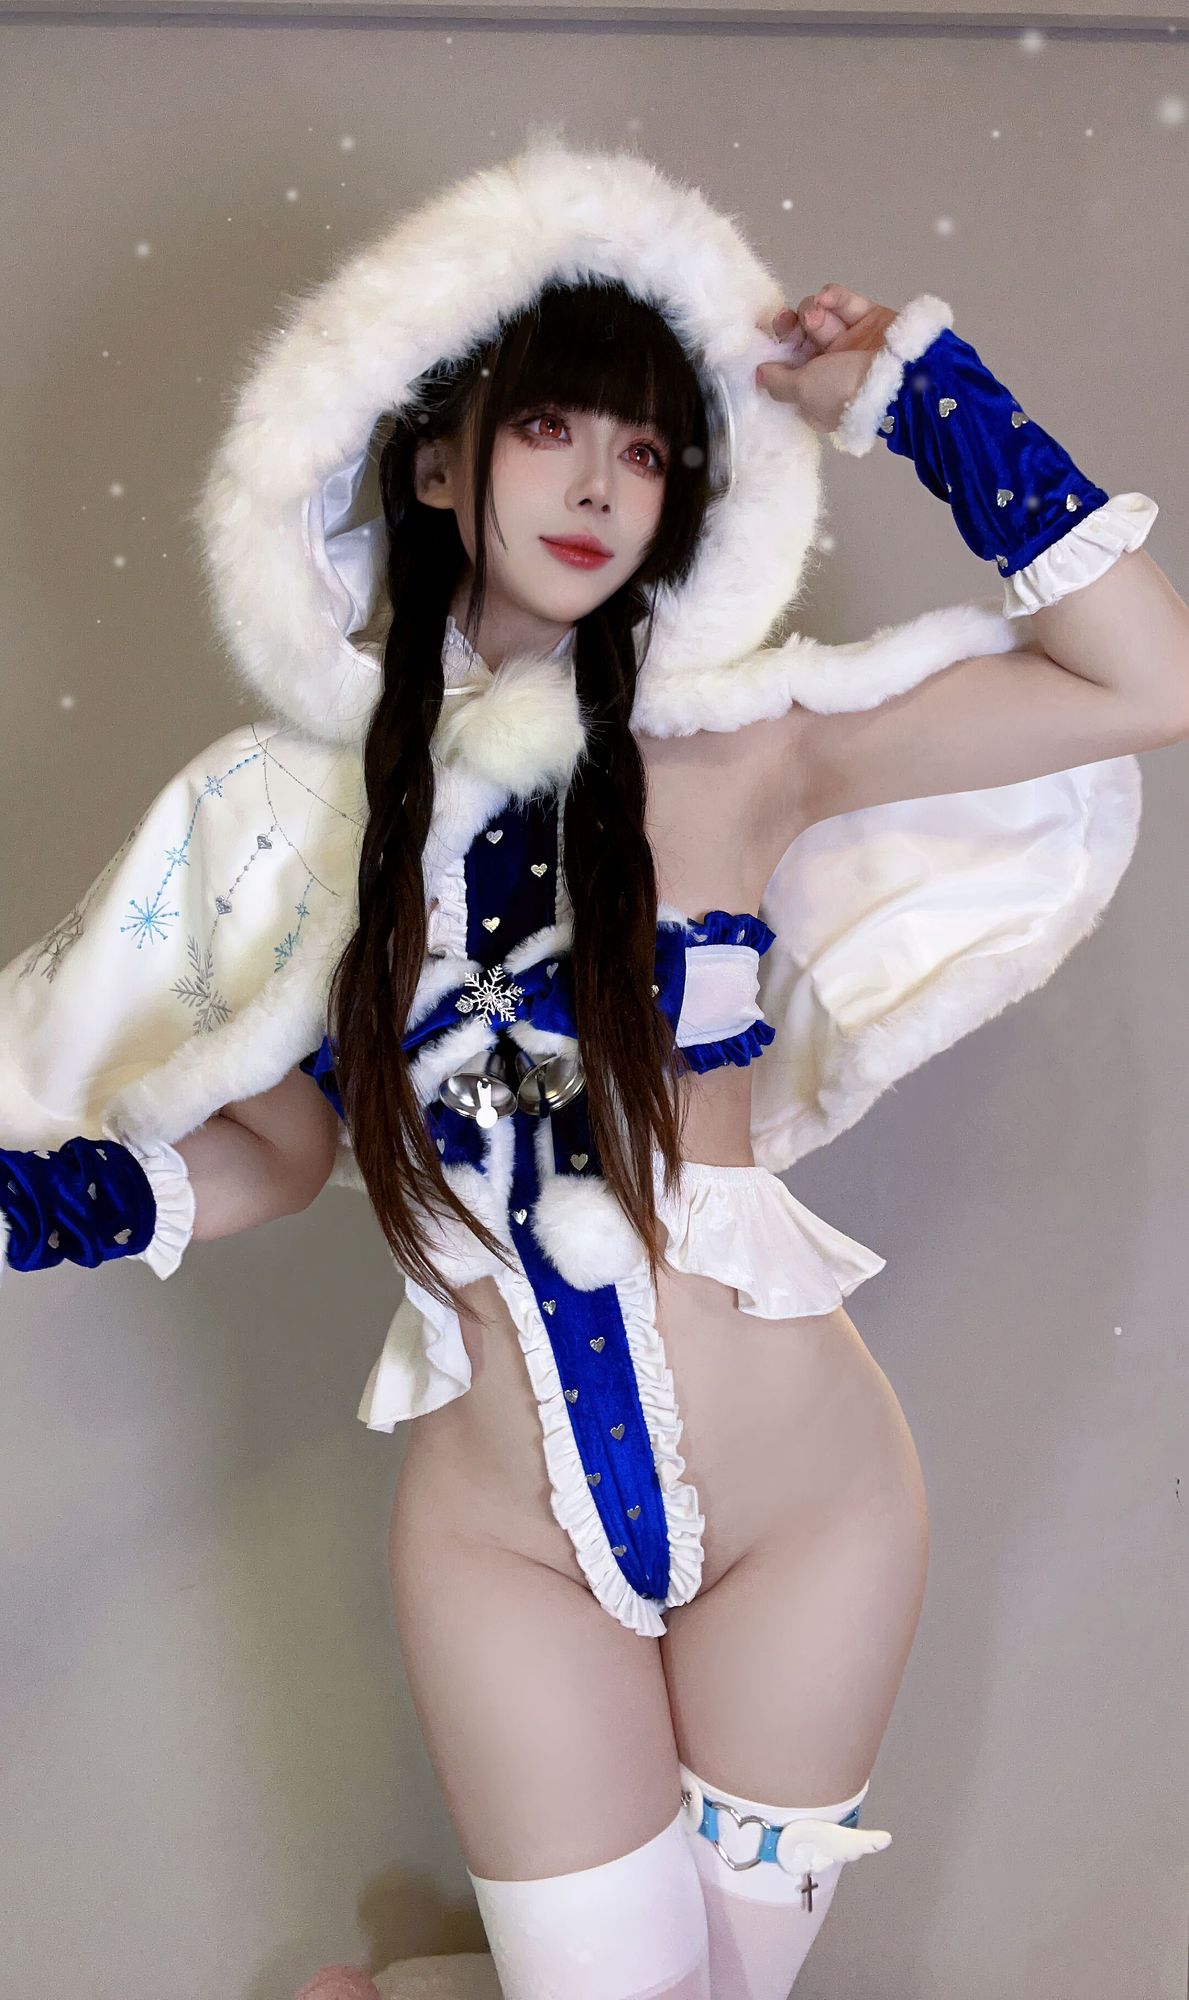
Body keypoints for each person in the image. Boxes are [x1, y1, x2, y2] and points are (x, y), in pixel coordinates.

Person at [1, 137, 1179, 2000]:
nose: (597, 486)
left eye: (646, 451)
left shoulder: (744, 745)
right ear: (438, 461)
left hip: (807, 1510)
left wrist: (920, 399)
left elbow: (1143, 684)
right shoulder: (296, 819)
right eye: (551, 427)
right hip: (503, 1540)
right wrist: (55, 1203)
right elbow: (284, 1152)